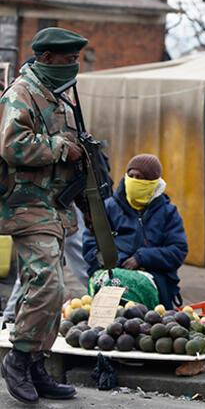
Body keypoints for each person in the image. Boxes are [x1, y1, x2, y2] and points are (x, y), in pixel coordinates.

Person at [0, 27, 87, 403]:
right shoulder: (21, 94)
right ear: (47, 58)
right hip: (26, 206)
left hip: (53, 206)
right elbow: (12, 145)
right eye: (68, 60)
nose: (73, 67)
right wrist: (59, 147)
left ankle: (36, 362)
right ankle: (18, 361)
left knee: (54, 290)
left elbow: (72, 144)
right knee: (47, 283)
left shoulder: (59, 98)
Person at [83, 154, 188, 310]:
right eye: (130, 176)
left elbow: (178, 250)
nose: (134, 181)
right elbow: (91, 245)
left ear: (153, 182)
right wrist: (117, 262)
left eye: (140, 177)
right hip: (111, 274)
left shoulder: (168, 213)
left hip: (154, 276)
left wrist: (142, 258)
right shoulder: (108, 208)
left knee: (139, 308)